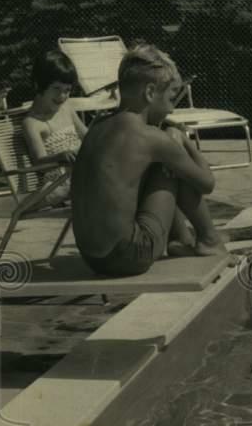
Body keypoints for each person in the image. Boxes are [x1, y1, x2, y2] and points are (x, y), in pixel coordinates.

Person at [71, 43, 229, 277]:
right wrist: (181, 140)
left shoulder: (98, 126)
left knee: (161, 163)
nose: (171, 110)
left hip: (92, 258)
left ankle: (181, 240)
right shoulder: (150, 137)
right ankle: (209, 240)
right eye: (171, 98)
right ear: (150, 92)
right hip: (128, 257)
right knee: (171, 165)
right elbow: (206, 183)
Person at [21, 50, 88, 208]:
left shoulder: (67, 109)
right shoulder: (32, 123)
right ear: (39, 85)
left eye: (67, 90)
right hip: (58, 182)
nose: (63, 96)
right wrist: (61, 156)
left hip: (81, 173)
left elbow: (88, 136)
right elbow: (39, 160)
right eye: (57, 89)